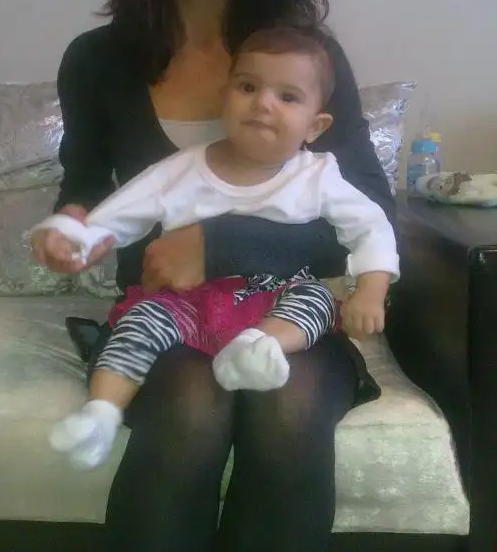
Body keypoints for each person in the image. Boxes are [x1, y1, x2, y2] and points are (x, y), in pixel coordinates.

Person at [31, 0, 396, 552]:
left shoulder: (302, 61)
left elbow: (367, 210)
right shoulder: (96, 61)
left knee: (289, 408)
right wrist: (72, 229)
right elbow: (87, 189)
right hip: (166, 311)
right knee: (190, 408)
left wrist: (221, 244)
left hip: (289, 309)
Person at [33, 25, 398, 471]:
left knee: (317, 299)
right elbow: (120, 212)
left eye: (287, 97)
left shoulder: (319, 176)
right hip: (188, 300)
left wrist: (371, 291)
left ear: (315, 125)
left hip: (278, 301)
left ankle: (261, 348)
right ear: (224, 98)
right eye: (248, 88)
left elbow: (372, 227)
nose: (263, 103)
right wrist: (75, 238)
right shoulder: (184, 168)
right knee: (141, 322)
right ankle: (101, 413)